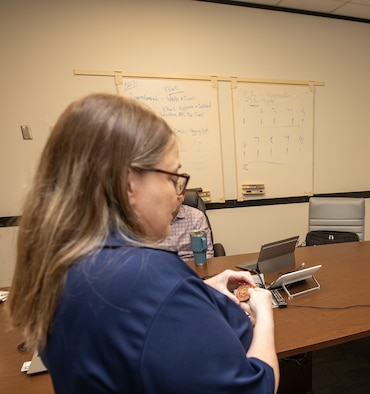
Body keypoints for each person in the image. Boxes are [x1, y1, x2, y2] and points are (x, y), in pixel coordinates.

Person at [7, 93, 279, 393]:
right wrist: (264, 313)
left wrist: (200, 289)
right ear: (129, 183)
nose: (179, 194)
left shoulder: (60, 264)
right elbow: (255, 388)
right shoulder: (149, 277)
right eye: (172, 177)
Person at [159, 195, 215, 260]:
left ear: (182, 197)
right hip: (163, 265)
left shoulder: (196, 216)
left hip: (192, 265)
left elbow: (207, 253)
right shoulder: (151, 218)